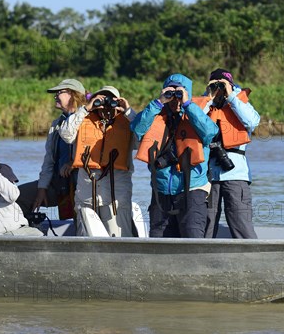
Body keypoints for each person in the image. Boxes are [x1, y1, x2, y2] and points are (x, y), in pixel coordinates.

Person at [131, 74, 218, 238]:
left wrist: (187, 104)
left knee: (192, 239)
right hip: (162, 192)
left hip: (192, 189)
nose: (175, 100)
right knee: (159, 243)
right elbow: (137, 129)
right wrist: (158, 103)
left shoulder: (196, 114)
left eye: (179, 94)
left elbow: (210, 133)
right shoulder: (156, 114)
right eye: (171, 94)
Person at [58, 86, 136, 237]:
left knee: (119, 241)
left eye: (111, 100)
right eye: (100, 100)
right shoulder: (83, 121)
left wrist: (128, 112)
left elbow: (144, 138)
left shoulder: (128, 123)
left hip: (115, 199)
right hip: (87, 196)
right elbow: (66, 134)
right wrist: (86, 109)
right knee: (85, 242)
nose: (105, 105)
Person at [198, 69, 259, 239]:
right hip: (209, 175)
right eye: (215, 84)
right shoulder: (205, 103)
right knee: (206, 226)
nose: (219, 88)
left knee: (241, 224)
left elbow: (252, 121)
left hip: (235, 174)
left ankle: (251, 258)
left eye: (222, 84)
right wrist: (208, 98)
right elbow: (193, 124)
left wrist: (230, 95)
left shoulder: (239, 102)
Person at [16, 79, 87, 222]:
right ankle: (26, 234)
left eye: (59, 92)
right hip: (58, 184)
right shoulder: (56, 124)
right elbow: (49, 160)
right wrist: (42, 188)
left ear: (73, 95)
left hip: (82, 185)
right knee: (18, 196)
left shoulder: (89, 120)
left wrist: (74, 162)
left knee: (82, 218)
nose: (55, 96)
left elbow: (94, 153)